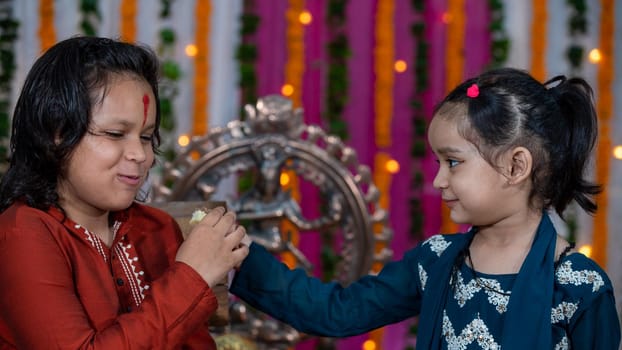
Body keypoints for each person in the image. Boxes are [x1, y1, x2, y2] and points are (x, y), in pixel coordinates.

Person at [230, 67, 621, 349]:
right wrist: (238, 257)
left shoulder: (578, 286)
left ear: (515, 166)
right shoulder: (435, 261)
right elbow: (337, 312)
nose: (438, 181)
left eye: (453, 162)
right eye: (437, 164)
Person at [0, 36, 248, 349]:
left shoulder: (157, 228)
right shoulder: (22, 234)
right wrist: (192, 277)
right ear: (57, 134)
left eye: (146, 137)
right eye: (116, 134)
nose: (140, 155)